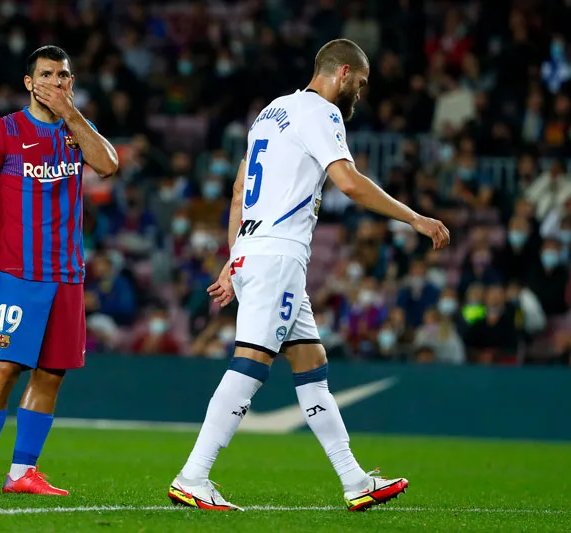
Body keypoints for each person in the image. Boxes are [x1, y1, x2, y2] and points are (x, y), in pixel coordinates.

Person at [167, 39, 449, 512]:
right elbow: (349, 183)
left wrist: (234, 258)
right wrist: (415, 219)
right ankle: (193, 475)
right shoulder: (322, 112)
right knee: (251, 363)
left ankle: (355, 480)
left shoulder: (270, 113)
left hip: (258, 251)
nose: (360, 92)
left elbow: (238, 191)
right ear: (342, 73)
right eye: (360, 83)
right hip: (278, 255)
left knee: (311, 363)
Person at [0, 45, 118, 495]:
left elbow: (108, 165)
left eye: (63, 75)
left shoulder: (76, 130)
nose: (55, 82)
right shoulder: (4, 130)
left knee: (51, 373)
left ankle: (22, 472)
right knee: (3, 368)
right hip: (17, 271)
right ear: (29, 83)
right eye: (46, 75)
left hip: (66, 274)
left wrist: (70, 114)